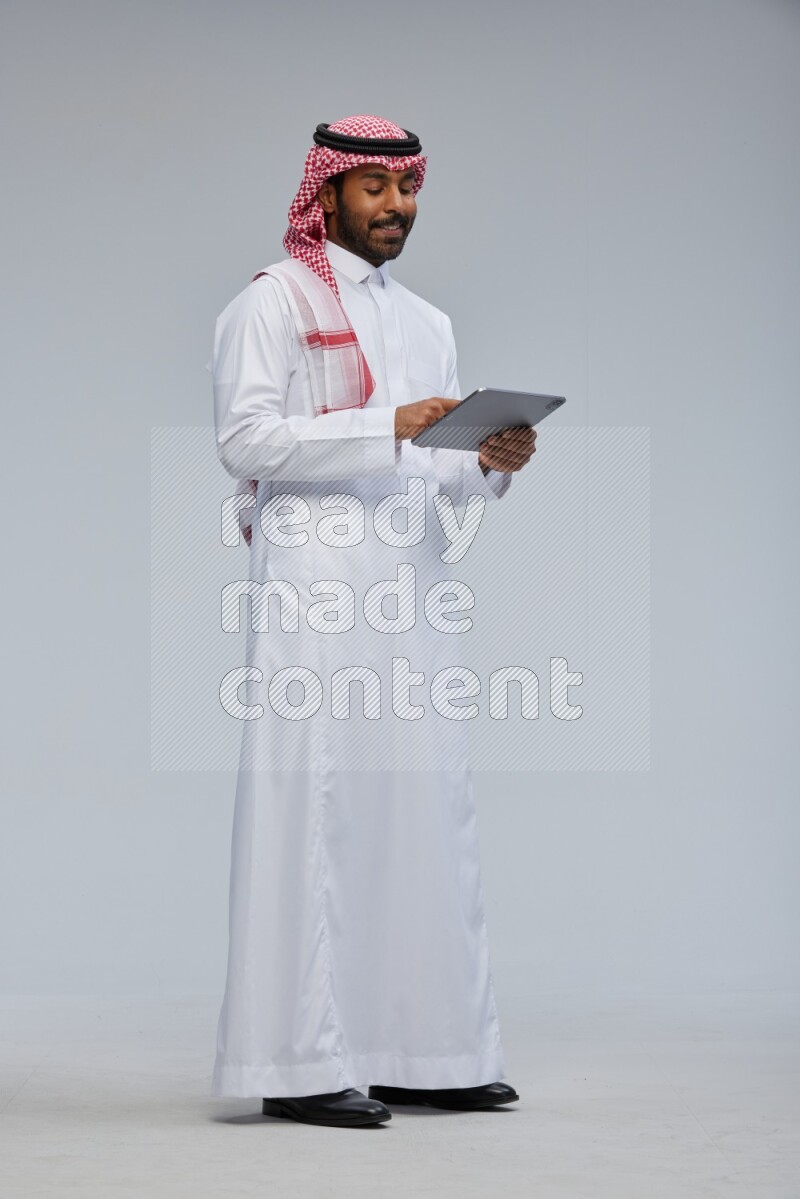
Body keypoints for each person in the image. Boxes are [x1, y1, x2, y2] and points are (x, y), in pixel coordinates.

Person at [209, 114, 536, 1129]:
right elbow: (244, 439)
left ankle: (427, 1051)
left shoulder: (429, 321)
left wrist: (488, 461)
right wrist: (381, 425)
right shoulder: (272, 300)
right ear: (328, 193)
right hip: (313, 587)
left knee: (424, 807)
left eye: (408, 188)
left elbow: (436, 472)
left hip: (412, 585)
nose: (397, 206)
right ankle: (298, 1062)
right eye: (375, 188)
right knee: (315, 807)